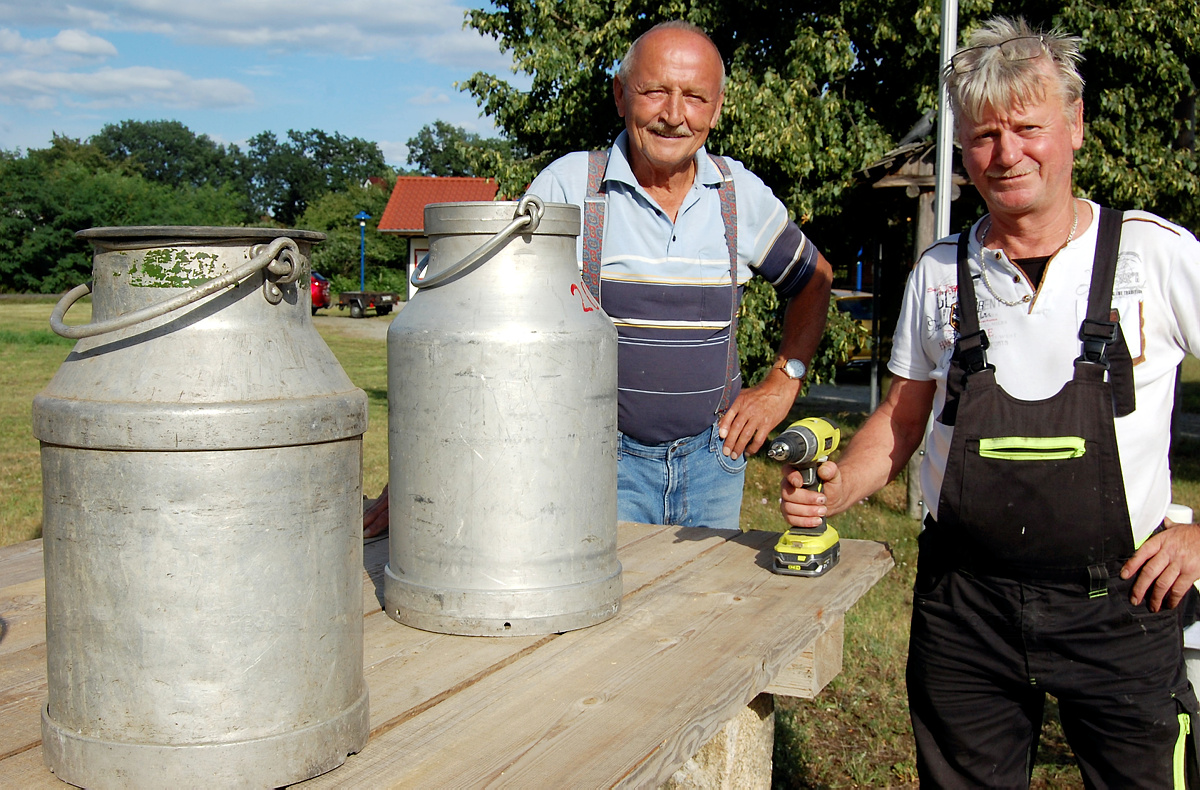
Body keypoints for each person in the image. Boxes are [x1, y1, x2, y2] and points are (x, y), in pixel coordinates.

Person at [780, 16, 1200, 787]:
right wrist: (841, 487)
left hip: (1123, 602)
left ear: (1073, 125)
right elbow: (903, 419)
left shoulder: (1157, 254)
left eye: (1027, 128)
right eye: (982, 136)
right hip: (965, 608)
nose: (1006, 154)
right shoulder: (941, 273)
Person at [366, 20, 832, 537]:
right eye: (655, 91)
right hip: (599, 463)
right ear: (620, 95)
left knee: (705, 604)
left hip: (714, 464)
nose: (674, 115)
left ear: (717, 108)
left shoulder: (737, 194)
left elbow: (814, 280)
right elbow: (476, 311)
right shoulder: (570, 187)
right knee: (606, 611)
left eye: (695, 97)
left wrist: (783, 381)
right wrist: (416, 472)